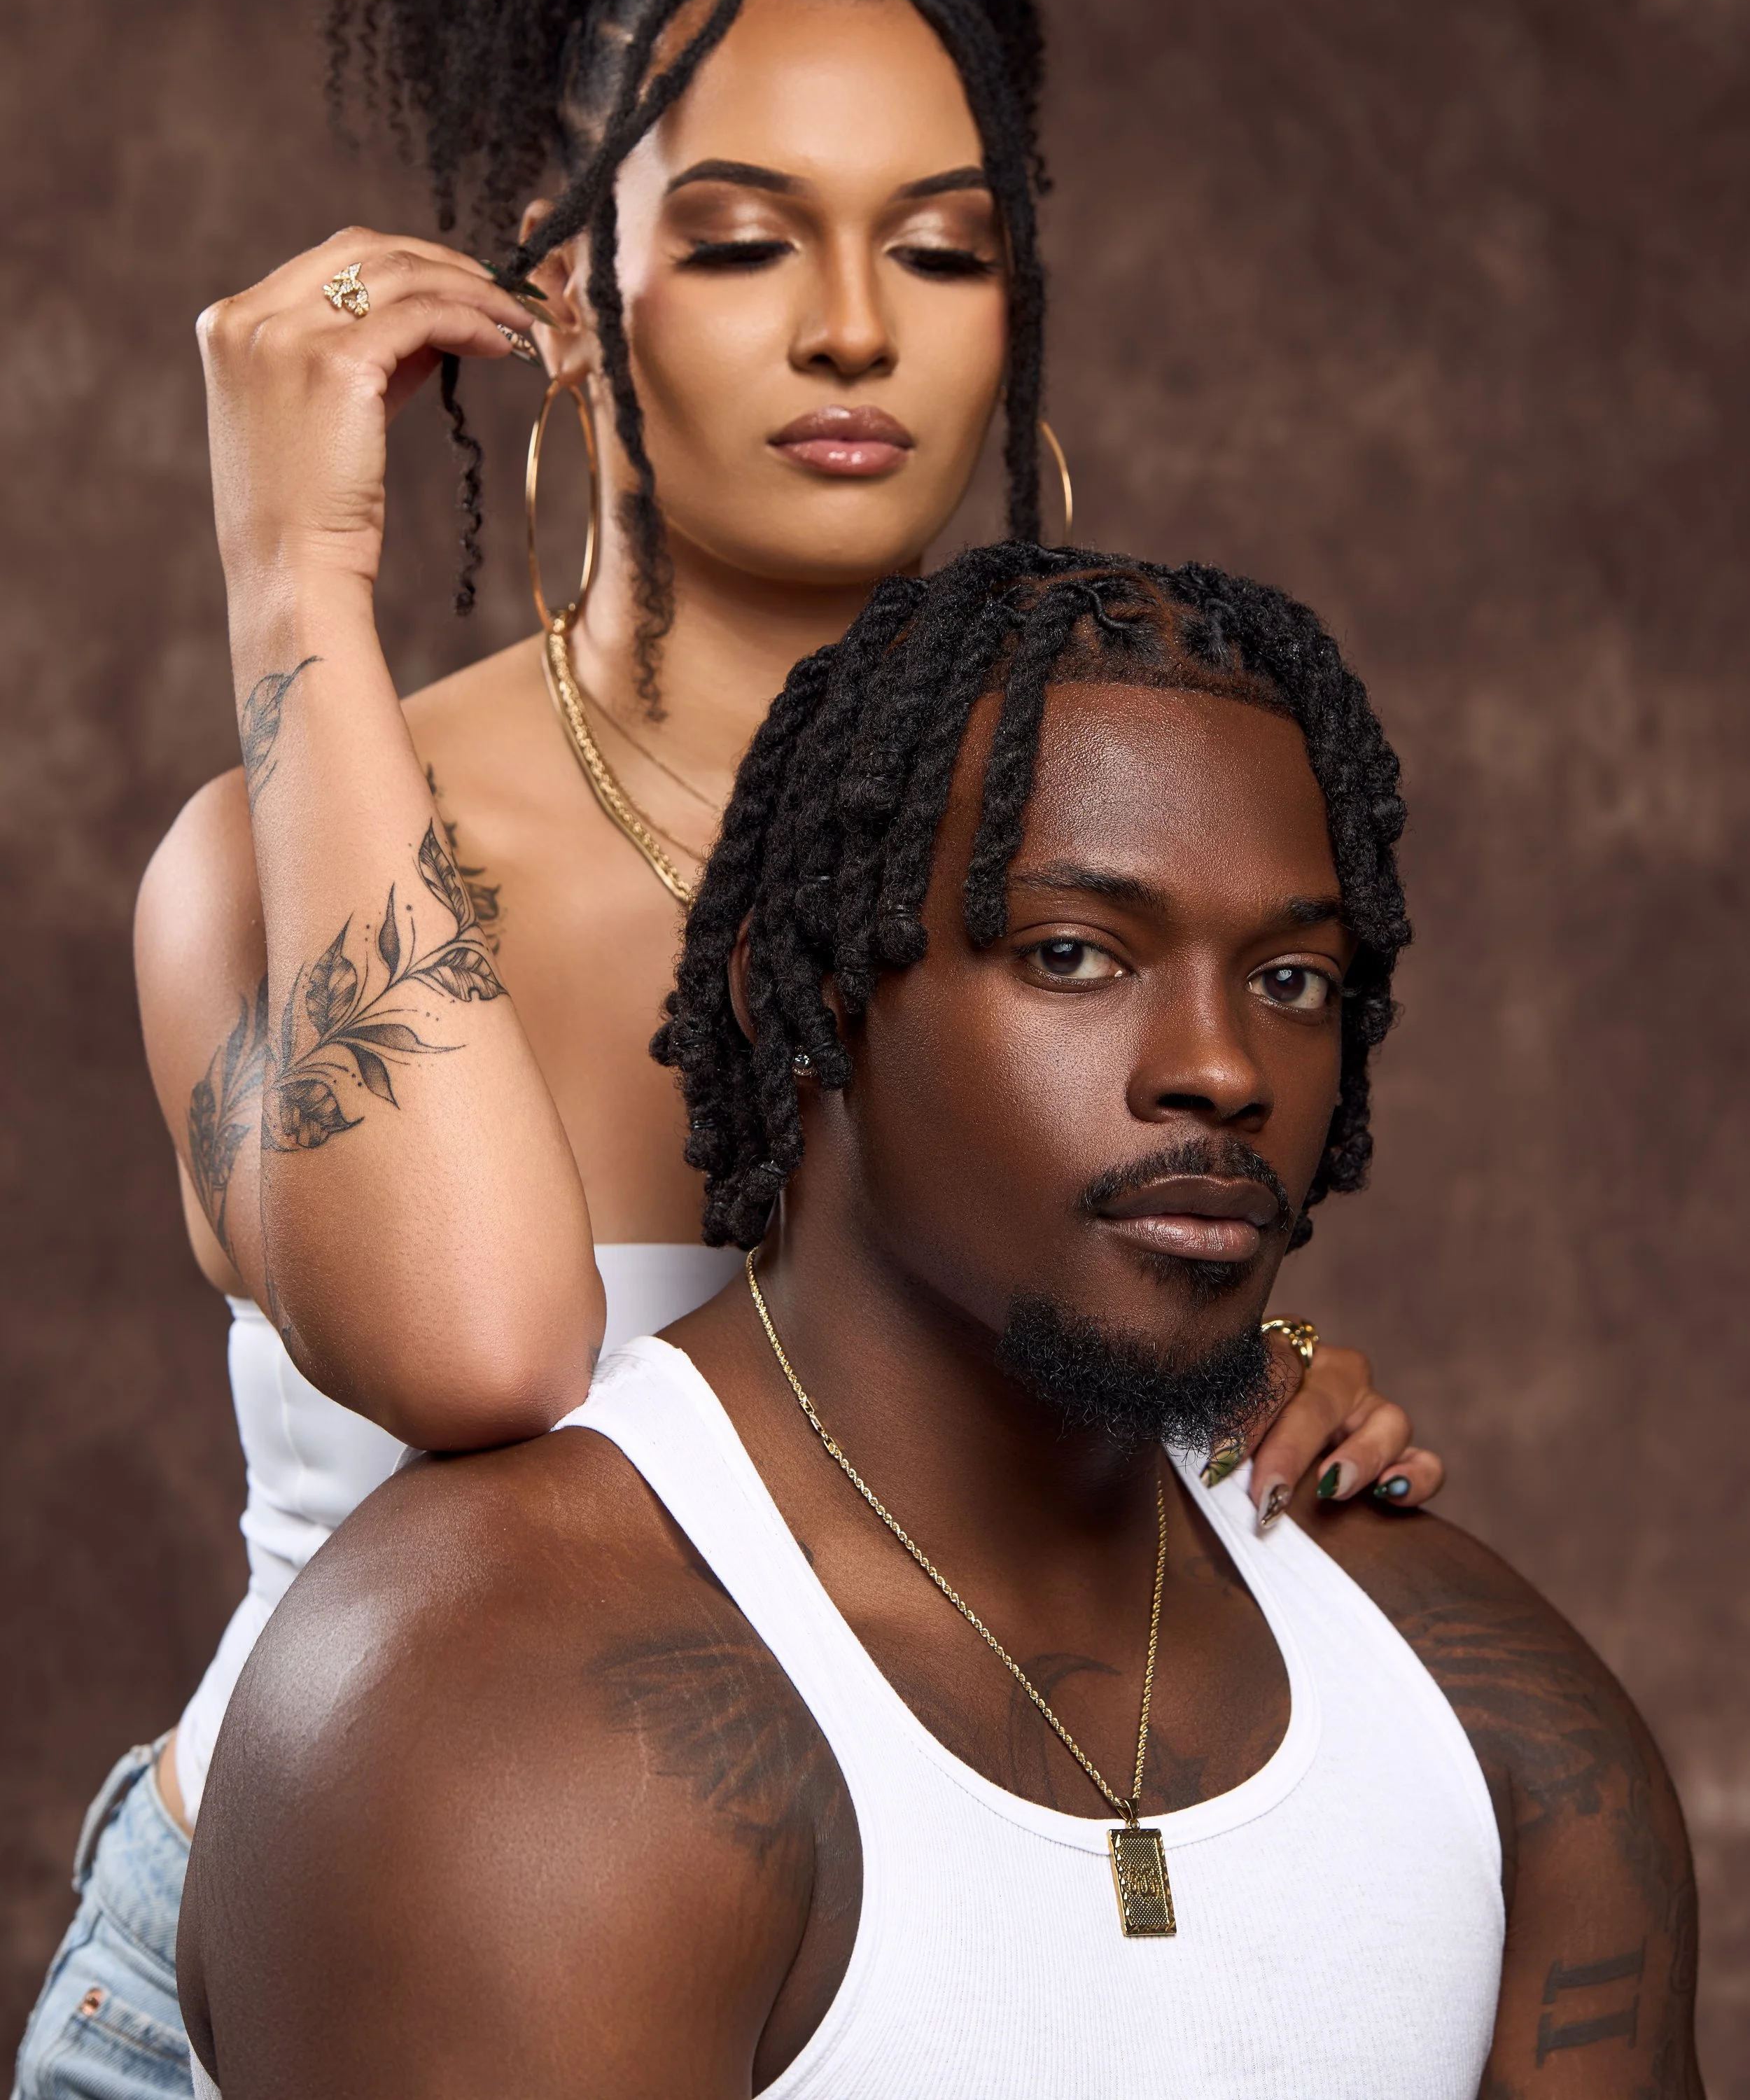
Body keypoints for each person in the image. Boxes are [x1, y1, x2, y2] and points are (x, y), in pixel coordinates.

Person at [15, 0, 1441, 2099]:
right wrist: (293, 585)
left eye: (949, 244)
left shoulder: (1094, 865)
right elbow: (477, 1352)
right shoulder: (299, 836)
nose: (863, 331)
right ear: (567, 288)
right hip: (323, 1984)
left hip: (864, 1975)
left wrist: (1241, 1402)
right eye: (758, 238)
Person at [178, 545, 1700, 2099]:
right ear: (806, 1004)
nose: (1222, 1067)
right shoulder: (489, 1698)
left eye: (1292, 979)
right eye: (1073, 955)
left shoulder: (1485, 1703)